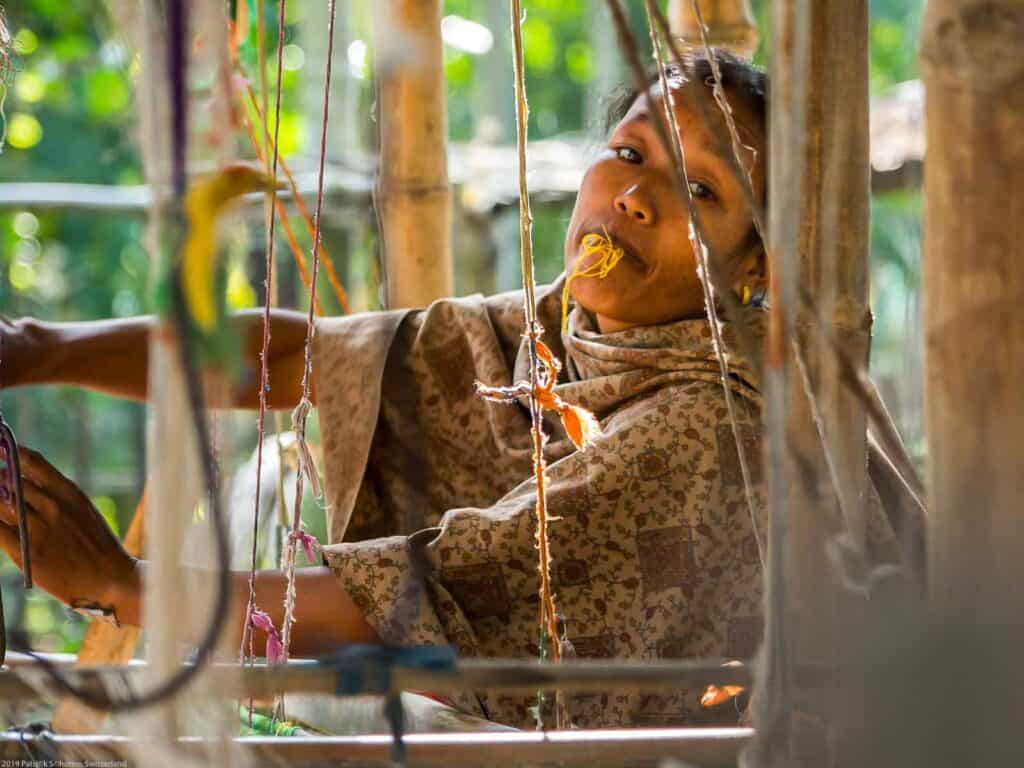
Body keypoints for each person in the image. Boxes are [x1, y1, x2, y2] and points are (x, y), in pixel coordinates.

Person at [0, 52, 904, 728]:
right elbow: (307, 362)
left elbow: (421, 600)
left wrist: (126, 585)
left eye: (701, 190)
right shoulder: (565, 330)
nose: (635, 198)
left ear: (756, 268)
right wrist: (30, 347)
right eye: (630, 153)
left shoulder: (717, 429)